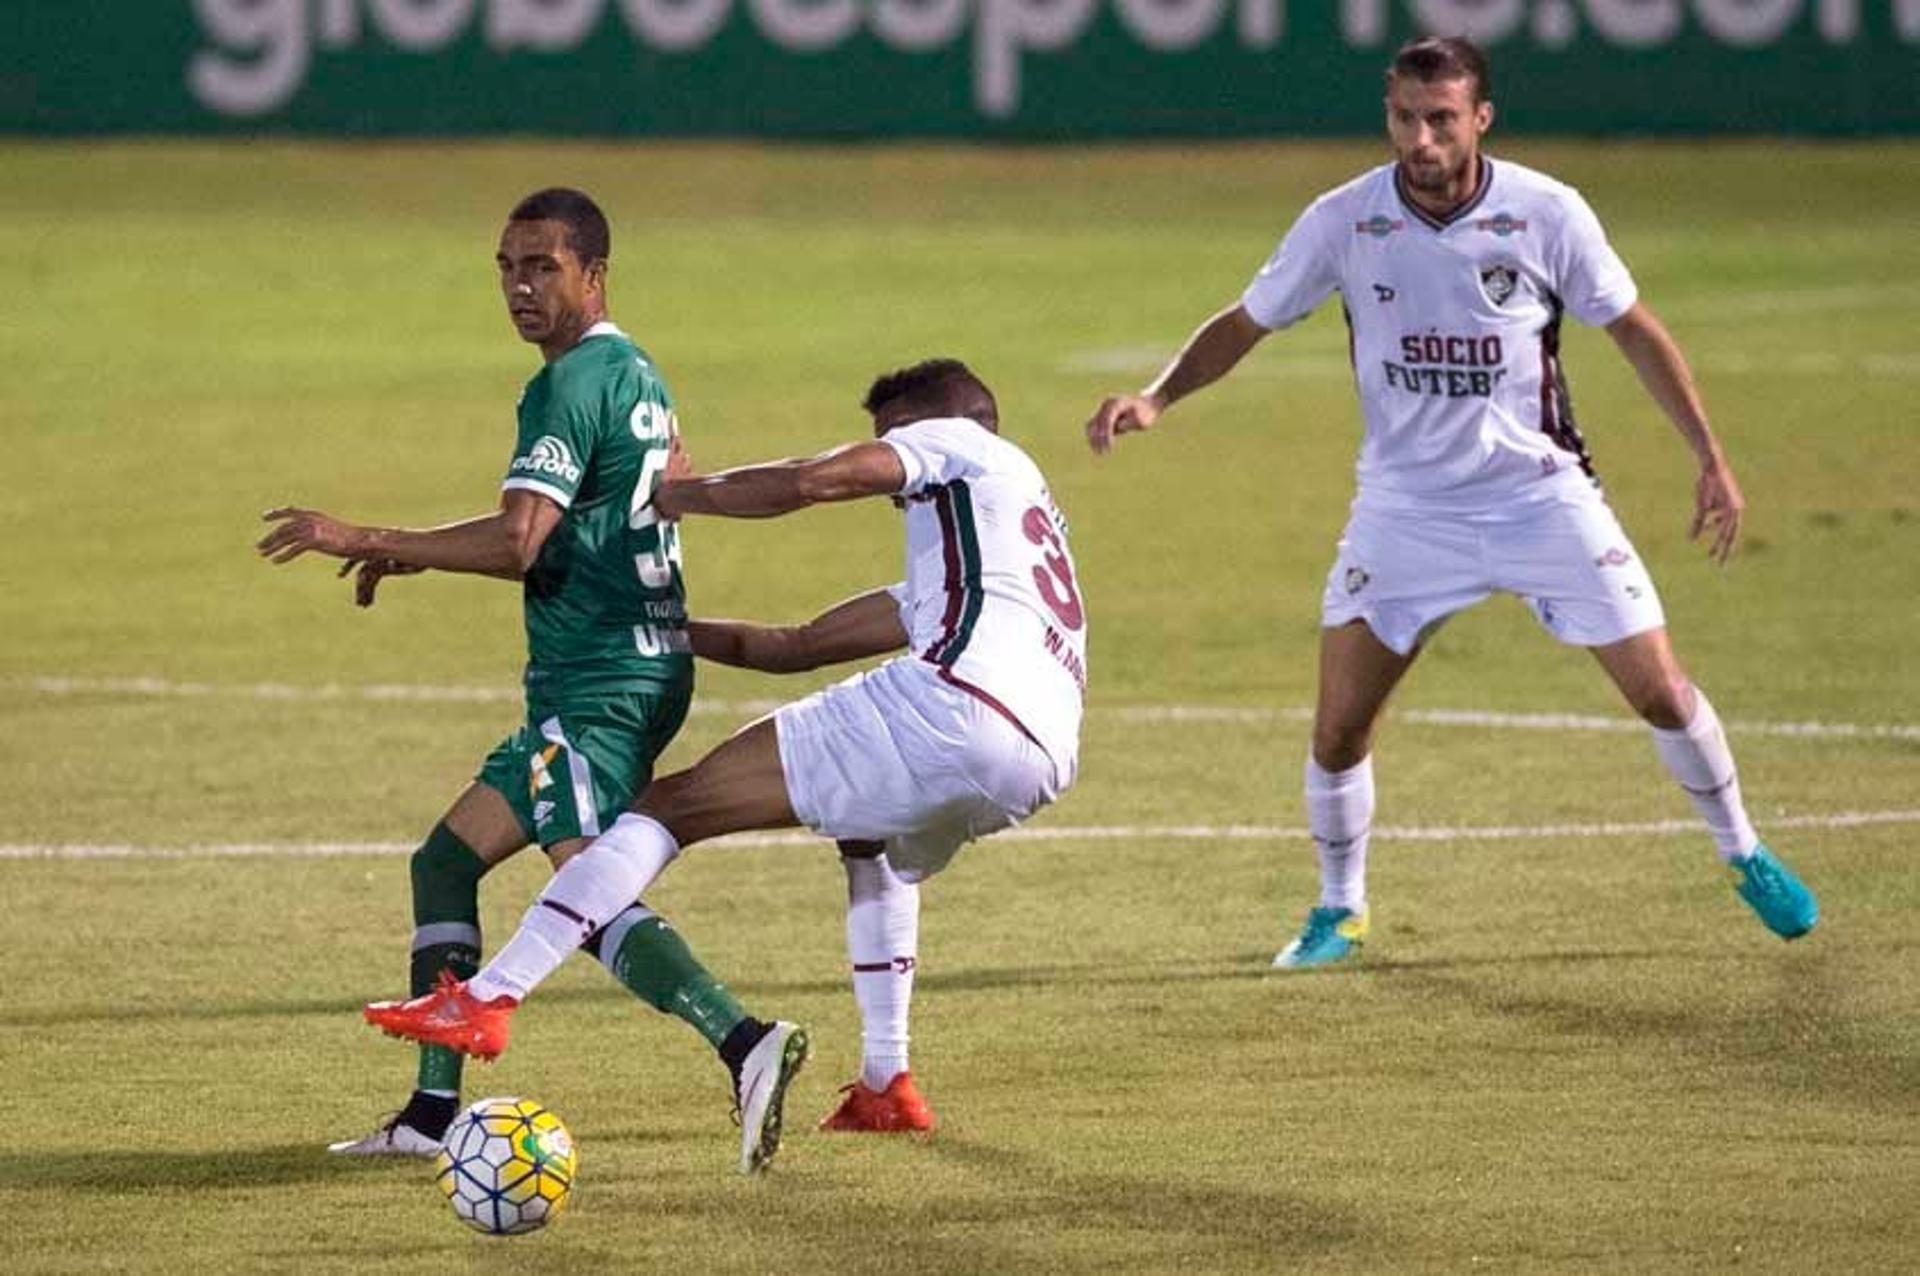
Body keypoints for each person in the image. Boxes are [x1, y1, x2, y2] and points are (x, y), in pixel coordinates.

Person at [1083, 36, 1816, 969]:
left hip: (1541, 501)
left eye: (1440, 119)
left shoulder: (1547, 212)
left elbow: (1632, 328)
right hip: (1405, 513)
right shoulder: (1345, 219)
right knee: (1340, 728)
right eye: (1403, 119)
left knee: (1662, 694)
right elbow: (1246, 321)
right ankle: (1338, 910)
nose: (1420, 140)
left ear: (1481, 119)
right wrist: (1156, 396)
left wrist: (1709, 456)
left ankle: (1744, 851)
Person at [363, 357, 1086, 1135]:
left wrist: (678, 496)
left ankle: (489, 997)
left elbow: (814, 479)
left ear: (925, 425)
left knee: (669, 805)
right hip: (1039, 748)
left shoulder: (958, 440)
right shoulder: (982, 552)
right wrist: (656, 629)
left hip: (958, 705)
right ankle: (887, 1083)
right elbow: (794, 645)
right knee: (868, 833)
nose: (893, 485)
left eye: (890, 443)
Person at [257, 187, 805, 1173]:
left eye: (541, 266)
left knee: (583, 883)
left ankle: (743, 1037)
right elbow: (620, 500)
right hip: (618, 665)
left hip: (604, 678)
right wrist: (422, 553)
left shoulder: (570, 382)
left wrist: (367, 533)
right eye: (507, 267)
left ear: (594, 273)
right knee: (447, 860)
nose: (519, 286)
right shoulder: (637, 370)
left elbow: (521, 538)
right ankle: (429, 1116)